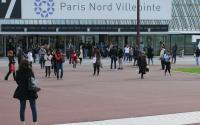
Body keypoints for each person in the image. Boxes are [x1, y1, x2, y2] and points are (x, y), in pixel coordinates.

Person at [13, 59, 39, 125]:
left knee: (22, 108)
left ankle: (23, 123)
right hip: (31, 90)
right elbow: (33, 80)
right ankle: (35, 123)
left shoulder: (18, 71)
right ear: (28, 64)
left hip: (22, 90)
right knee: (33, 107)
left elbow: (17, 81)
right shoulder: (30, 71)